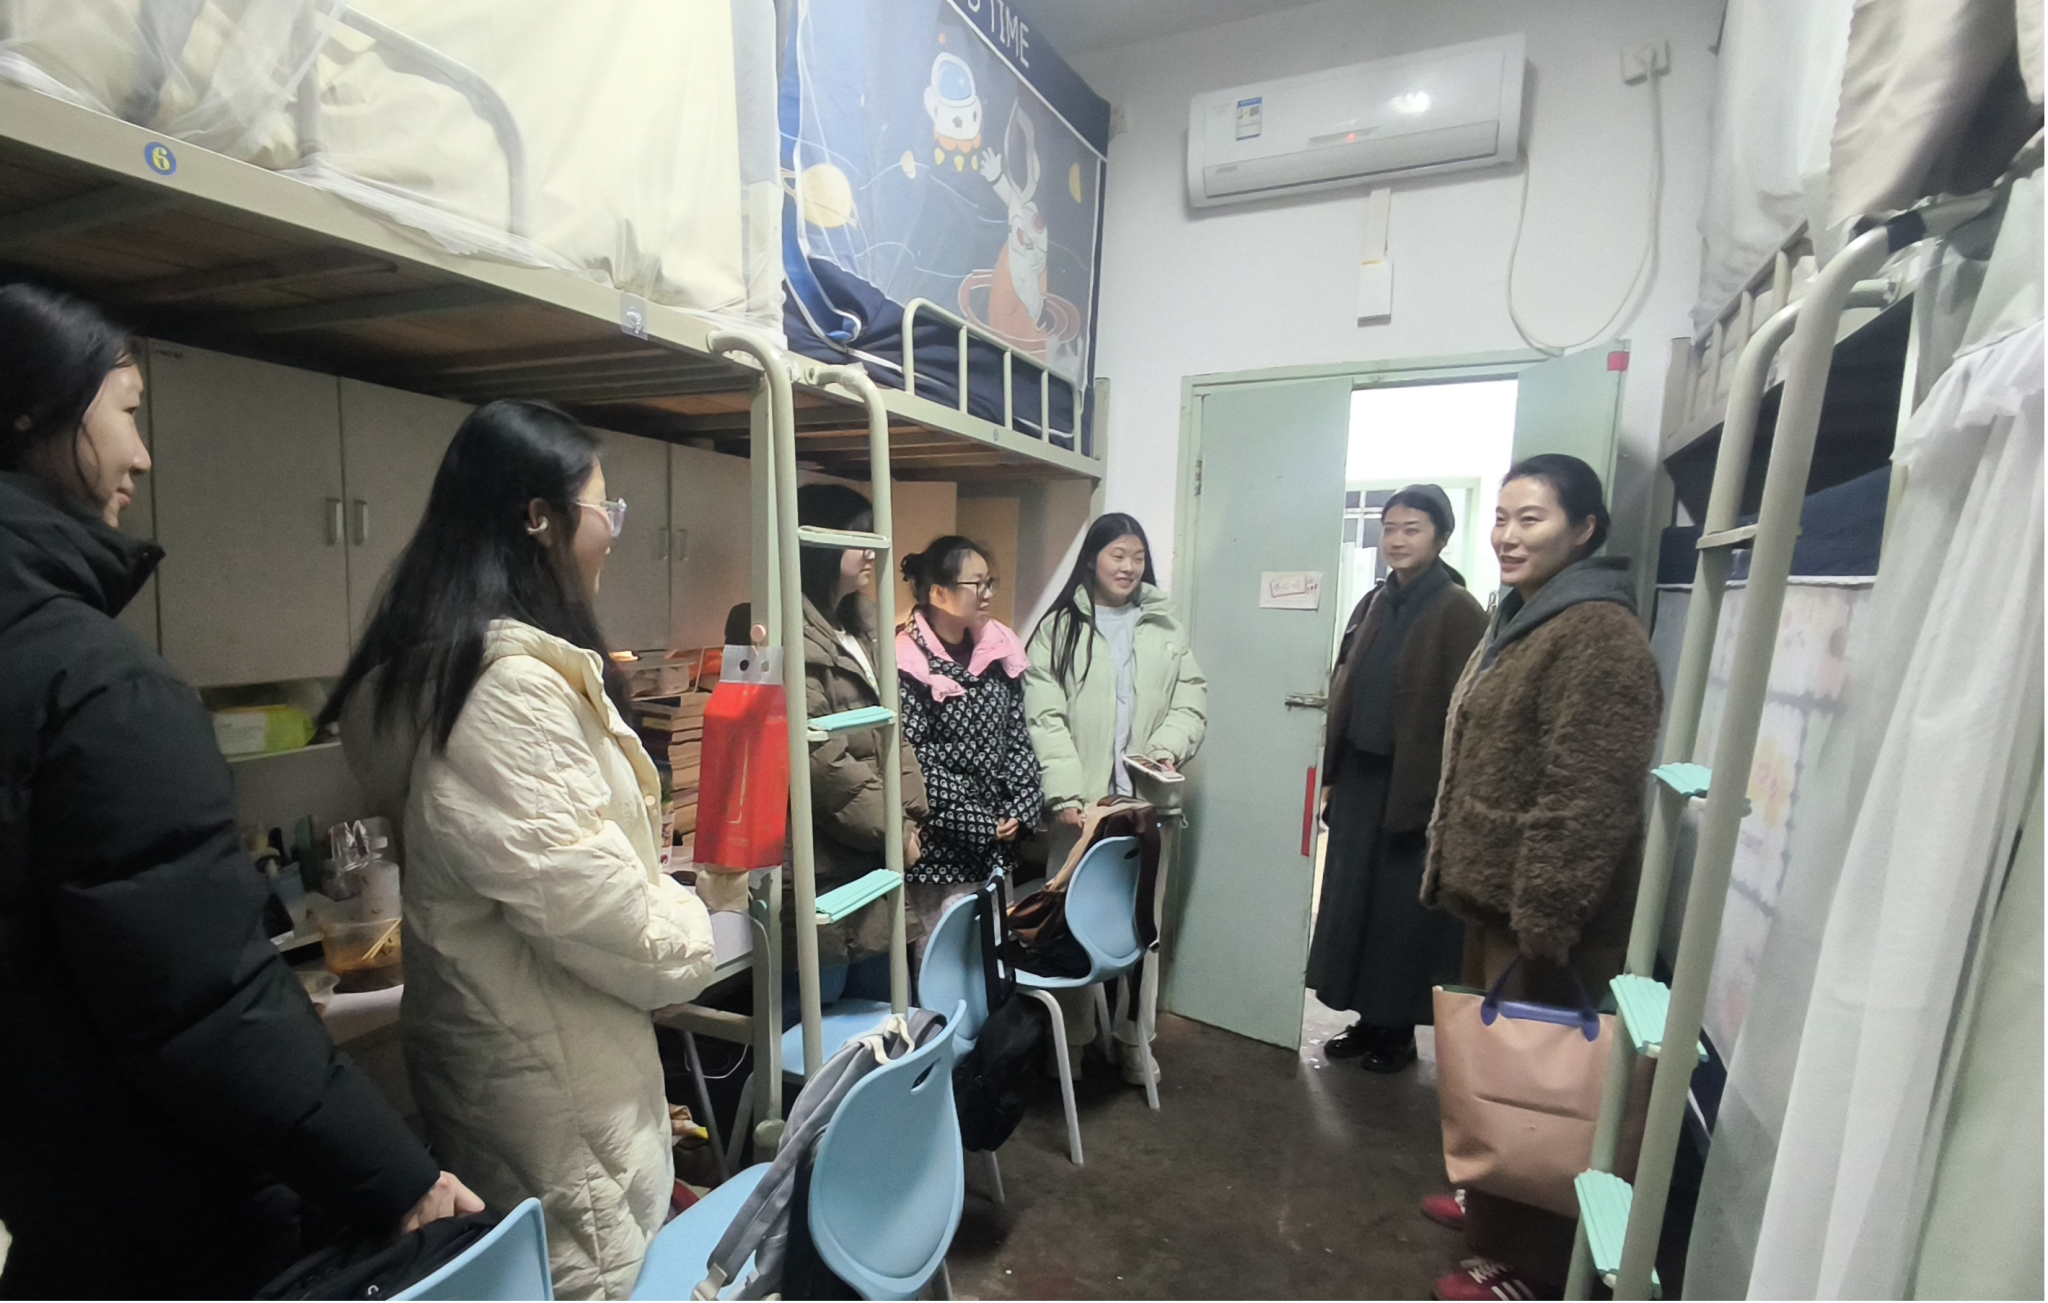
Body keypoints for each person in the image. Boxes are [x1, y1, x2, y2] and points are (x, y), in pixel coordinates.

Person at [0, 284, 478, 1300]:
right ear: (36, 415)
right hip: (176, 1219)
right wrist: (394, 1173)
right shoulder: (101, 685)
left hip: (54, 1201)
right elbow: (207, 1007)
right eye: (127, 411)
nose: (142, 456)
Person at [326, 400, 717, 1301]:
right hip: (554, 1091)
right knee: (594, 1279)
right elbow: (605, 913)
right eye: (605, 510)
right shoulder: (506, 694)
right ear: (540, 518)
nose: (611, 533)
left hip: (531, 1059)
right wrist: (698, 918)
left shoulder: (448, 673)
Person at [1419, 454, 1663, 1303]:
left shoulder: (1598, 633)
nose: (1508, 535)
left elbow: (1589, 792)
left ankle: (1526, 1267)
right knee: (1503, 1073)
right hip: (1500, 895)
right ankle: (1490, 1200)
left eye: (1533, 518)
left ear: (1585, 528)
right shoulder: (1526, 615)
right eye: (1502, 517)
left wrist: (1547, 918)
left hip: (1546, 911)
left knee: (1544, 1091)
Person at [1307, 484, 1488, 1073]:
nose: (1397, 539)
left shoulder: (1459, 610)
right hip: (1362, 778)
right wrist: (1332, 773)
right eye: (1390, 528)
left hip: (1415, 784)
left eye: (1413, 528)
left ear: (1441, 537)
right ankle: (1367, 1020)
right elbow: (1346, 685)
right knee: (1354, 905)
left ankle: (1398, 1032)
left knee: (1402, 917)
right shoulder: (1373, 603)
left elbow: (1472, 712)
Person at [1024, 512, 1206, 1086]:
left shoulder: (1164, 626)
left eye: (1137, 557)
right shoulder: (1059, 629)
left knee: (1142, 928)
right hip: (1081, 810)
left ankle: (1135, 1042)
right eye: (1117, 555)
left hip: (1148, 806)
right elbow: (1044, 717)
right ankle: (1072, 1045)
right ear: (1092, 559)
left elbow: (1191, 700)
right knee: (1072, 923)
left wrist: (1164, 750)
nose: (1128, 567)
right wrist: (1065, 793)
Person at [789, 483, 929, 1018]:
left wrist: (908, 818)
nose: (871, 550)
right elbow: (819, 760)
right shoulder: (791, 634)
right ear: (820, 545)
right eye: (858, 537)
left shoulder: (861, 627)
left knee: (881, 1017)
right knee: (821, 1021)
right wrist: (894, 828)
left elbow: (894, 732)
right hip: (827, 856)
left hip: (873, 848)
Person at [894, 535, 1041, 939]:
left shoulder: (998, 648)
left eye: (990, 582)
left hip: (997, 845)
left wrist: (1020, 806)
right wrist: (978, 822)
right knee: (940, 953)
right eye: (976, 584)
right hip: (939, 849)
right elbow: (915, 759)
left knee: (991, 952)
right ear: (938, 593)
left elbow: (1017, 736)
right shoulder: (906, 659)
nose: (987, 593)